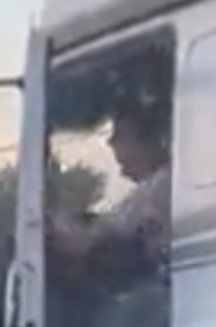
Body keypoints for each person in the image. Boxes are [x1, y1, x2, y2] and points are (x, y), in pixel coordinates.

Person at [50, 111, 171, 275]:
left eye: (121, 135)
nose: (110, 142)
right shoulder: (152, 187)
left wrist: (71, 233)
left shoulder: (162, 185)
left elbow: (113, 234)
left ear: (149, 141)